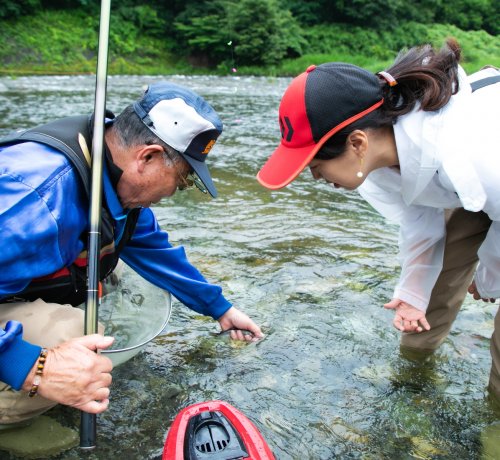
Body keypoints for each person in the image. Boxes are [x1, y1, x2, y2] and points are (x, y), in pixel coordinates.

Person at [0, 81, 263, 426]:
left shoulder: (112, 178)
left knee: (115, 270)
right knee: (78, 332)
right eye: (183, 180)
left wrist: (221, 309)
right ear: (148, 156)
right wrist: (34, 368)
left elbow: (155, 251)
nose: (176, 192)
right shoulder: (34, 199)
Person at [257, 39, 500, 404]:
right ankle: (412, 380)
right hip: (467, 187)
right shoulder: (376, 161)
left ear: (357, 142)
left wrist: (489, 278)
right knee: (429, 295)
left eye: (316, 167)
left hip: (489, 169)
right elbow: (420, 217)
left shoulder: (470, 148)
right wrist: (412, 295)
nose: (316, 179)